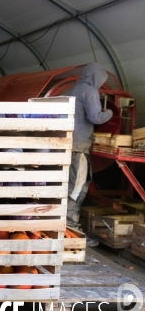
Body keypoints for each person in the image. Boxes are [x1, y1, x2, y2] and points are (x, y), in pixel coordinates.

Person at [65, 63, 113, 247]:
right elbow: (96, 117)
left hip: (66, 146)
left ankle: (62, 228)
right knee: (76, 190)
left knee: (65, 187)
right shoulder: (90, 91)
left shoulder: (71, 89)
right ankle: (72, 232)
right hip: (79, 148)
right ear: (96, 77)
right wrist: (109, 112)